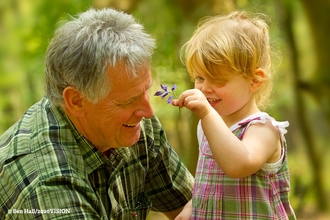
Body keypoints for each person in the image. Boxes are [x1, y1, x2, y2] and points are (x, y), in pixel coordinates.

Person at [0, 8, 194, 220]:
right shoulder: (48, 184)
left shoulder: (134, 124)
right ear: (76, 101)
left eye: (145, 90)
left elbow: (198, 206)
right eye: (128, 101)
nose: (148, 112)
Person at [173, 11, 296, 219]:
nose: (205, 88)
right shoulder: (207, 126)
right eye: (200, 77)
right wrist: (190, 208)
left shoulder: (263, 129)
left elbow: (238, 165)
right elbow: (210, 183)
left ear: (255, 81)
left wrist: (206, 114)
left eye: (218, 80)